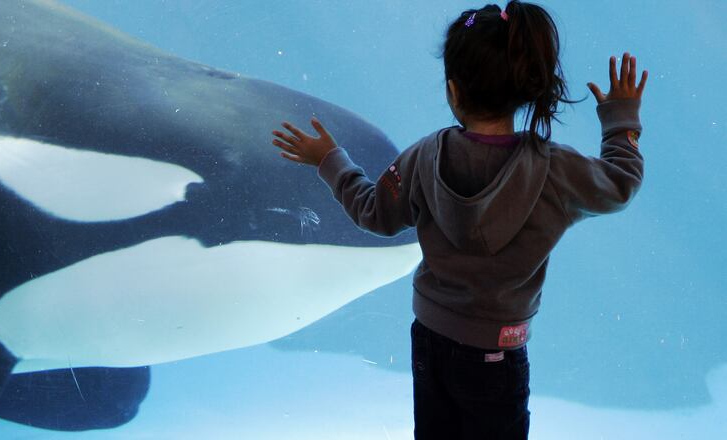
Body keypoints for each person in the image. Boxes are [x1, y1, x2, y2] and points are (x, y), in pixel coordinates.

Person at [271, 0, 648, 438]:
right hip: (499, 352)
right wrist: (621, 122)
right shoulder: (555, 172)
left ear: (453, 90)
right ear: (527, 86)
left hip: (431, 338)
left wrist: (330, 161)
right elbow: (621, 183)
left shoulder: (423, 157)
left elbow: (372, 212)